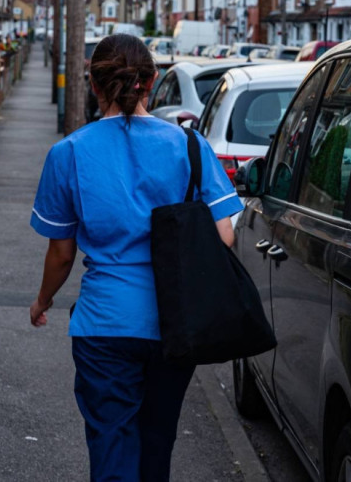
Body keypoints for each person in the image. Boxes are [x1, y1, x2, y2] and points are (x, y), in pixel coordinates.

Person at [29, 34, 242, 481]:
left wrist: (43, 300)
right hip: (174, 324)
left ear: (93, 83)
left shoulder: (67, 153)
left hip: (104, 325)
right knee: (157, 442)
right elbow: (224, 236)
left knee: (111, 442)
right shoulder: (189, 146)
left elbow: (62, 253)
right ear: (151, 82)